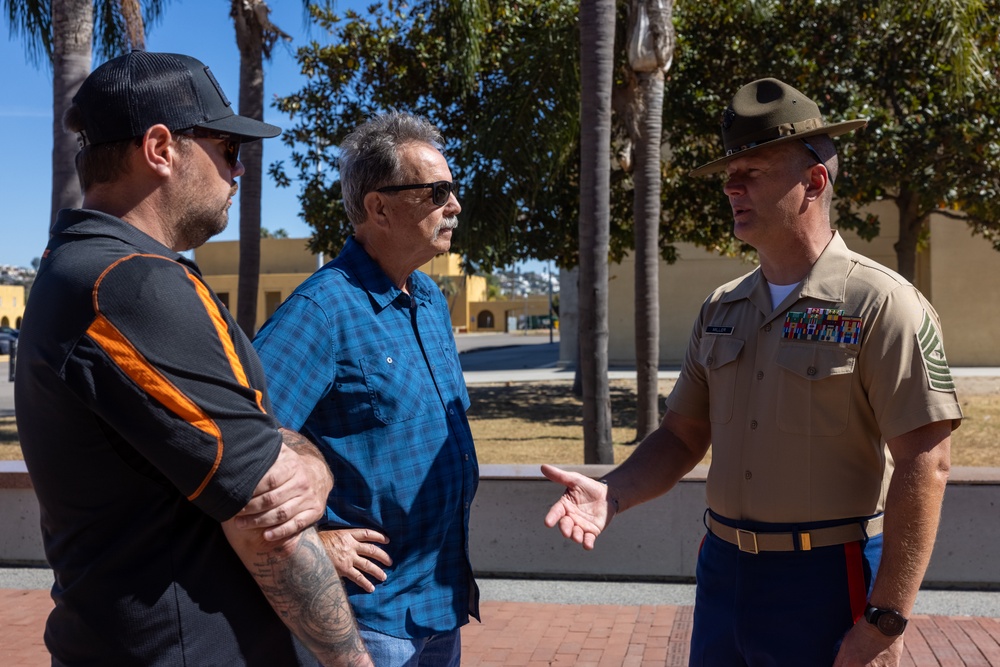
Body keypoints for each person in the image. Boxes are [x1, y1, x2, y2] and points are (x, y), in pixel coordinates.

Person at [542, 78, 963, 666]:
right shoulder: (723, 308)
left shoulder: (881, 304)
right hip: (724, 572)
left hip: (825, 579)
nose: (732, 188)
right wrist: (612, 493)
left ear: (814, 181)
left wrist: (884, 620)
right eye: (729, 176)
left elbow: (927, 461)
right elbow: (683, 435)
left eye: (753, 172)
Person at [14, 51, 371, 667]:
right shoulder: (130, 285)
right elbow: (265, 516)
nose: (238, 172)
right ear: (160, 148)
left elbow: (239, 435)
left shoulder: (83, 269)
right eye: (229, 150)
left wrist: (314, 465)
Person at [252, 111, 479, 666]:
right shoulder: (320, 311)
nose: (454, 205)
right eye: (437, 192)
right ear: (378, 207)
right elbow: (245, 439)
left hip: (437, 600)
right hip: (366, 619)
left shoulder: (428, 301)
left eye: (455, 189)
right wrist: (315, 544)